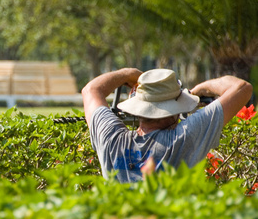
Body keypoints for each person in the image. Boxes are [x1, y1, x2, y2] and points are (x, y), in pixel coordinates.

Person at [82, 68, 252, 183]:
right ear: (176, 110)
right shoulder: (185, 137)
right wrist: (204, 88)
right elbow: (241, 87)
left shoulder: (110, 137)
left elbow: (91, 90)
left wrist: (128, 73)